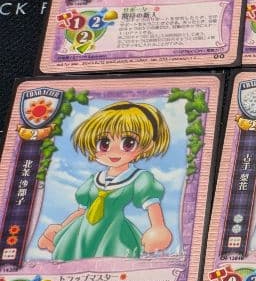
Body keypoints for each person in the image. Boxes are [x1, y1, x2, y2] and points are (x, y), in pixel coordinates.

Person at [38, 101, 173, 260]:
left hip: (113, 232)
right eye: (104, 144)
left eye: (128, 143)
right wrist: (62, 227)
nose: (113, 151)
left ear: (146, 145)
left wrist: (158, 228)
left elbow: (151, 204)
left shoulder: (138, 178)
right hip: (81, 231)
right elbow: (81, 211)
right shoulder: (94, 180)